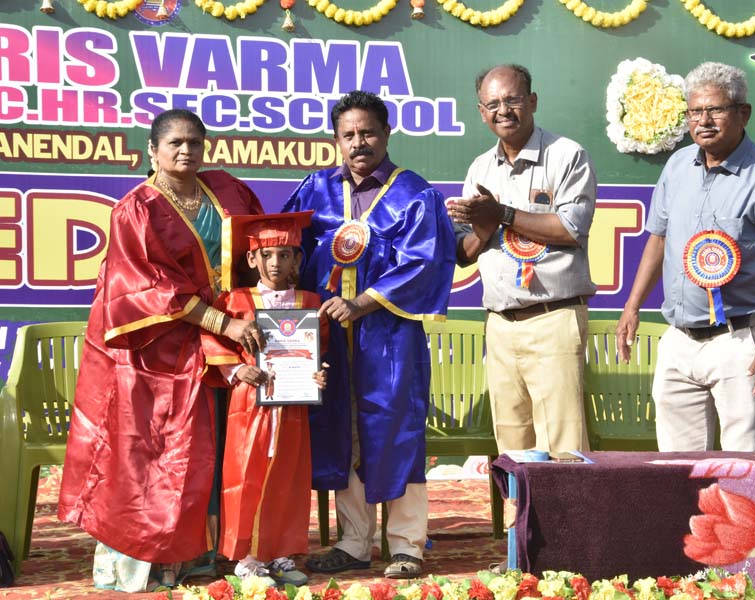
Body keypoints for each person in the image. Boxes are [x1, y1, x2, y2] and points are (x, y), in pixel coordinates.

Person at [57, 109, 265, 592]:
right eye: (175, 142)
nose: (186, 150)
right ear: (153, 150)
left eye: (194, 141)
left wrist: (251, 313)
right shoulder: (135, 209)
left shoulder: (227, 190)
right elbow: (148, 289)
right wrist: (222, 323)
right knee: (162, 453)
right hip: (157, 347)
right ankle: (157, 557)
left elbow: (256, 247)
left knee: (219, 446)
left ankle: (211, 550)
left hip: (227, 341)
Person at [281, 90, 456, 579]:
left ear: (386, 134)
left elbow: (423, 263)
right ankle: (354, 542)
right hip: (329, 334)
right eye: (349, 135)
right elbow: (287, 248)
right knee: (343, 430)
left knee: (396, 429)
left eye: (368, 132)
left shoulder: (415, 194)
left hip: (389, 334)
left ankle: (406, 544)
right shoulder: (315, 189)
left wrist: (360, 303)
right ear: (337, 140)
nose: (359, 143)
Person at [614, 62, 755, 452]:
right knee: (677, 469)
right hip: (678, 339)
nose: (703, 121)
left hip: (740, 342)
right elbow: (658, 238)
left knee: (745, 467)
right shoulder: (677, 166)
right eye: (694, 112)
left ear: (743, 113)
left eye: (715, 110)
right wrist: (632, 306)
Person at [448, 64, 595, 454]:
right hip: (500, 324)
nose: (503, 110)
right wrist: (482, 230)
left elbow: (571, 230)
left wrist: (503, 214)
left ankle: (566, 501)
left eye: (512, 100)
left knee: (563, 447)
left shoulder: (566, 155)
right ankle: (520, 500)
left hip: (553, 317)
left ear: (532, 101)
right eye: (492, 104)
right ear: (481, 112)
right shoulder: (480, 167)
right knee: (512, 444)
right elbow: (464, 254)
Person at [201, 212, 329, 586]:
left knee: (289, 477)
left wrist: (319, 375)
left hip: (293, 407)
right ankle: (247, 557)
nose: (276, 263)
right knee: (246, 476)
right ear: (251, 258)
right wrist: (237, 370)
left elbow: (317, 352)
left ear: (297, 259)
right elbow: (210, 341)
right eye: (267, 255)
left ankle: (281, 553)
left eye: (285, 255)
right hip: (248, 405)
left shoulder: (310, 302)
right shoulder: (235, 301)